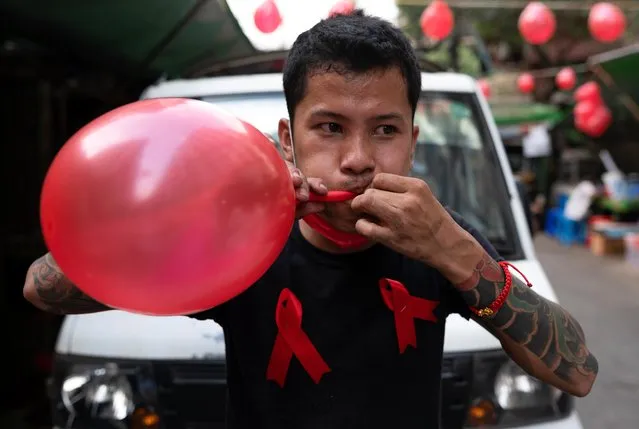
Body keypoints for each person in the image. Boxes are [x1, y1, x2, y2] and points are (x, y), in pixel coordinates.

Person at [24, 10, 597, 429]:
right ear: (287, 142)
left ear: (413, 143)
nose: (357, 159)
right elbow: (44, 288)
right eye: (329, 127)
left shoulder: (438, 240)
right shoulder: (240, 246)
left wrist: (456, 252)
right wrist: (199, 210)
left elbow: (579, 373)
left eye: (386, 130)